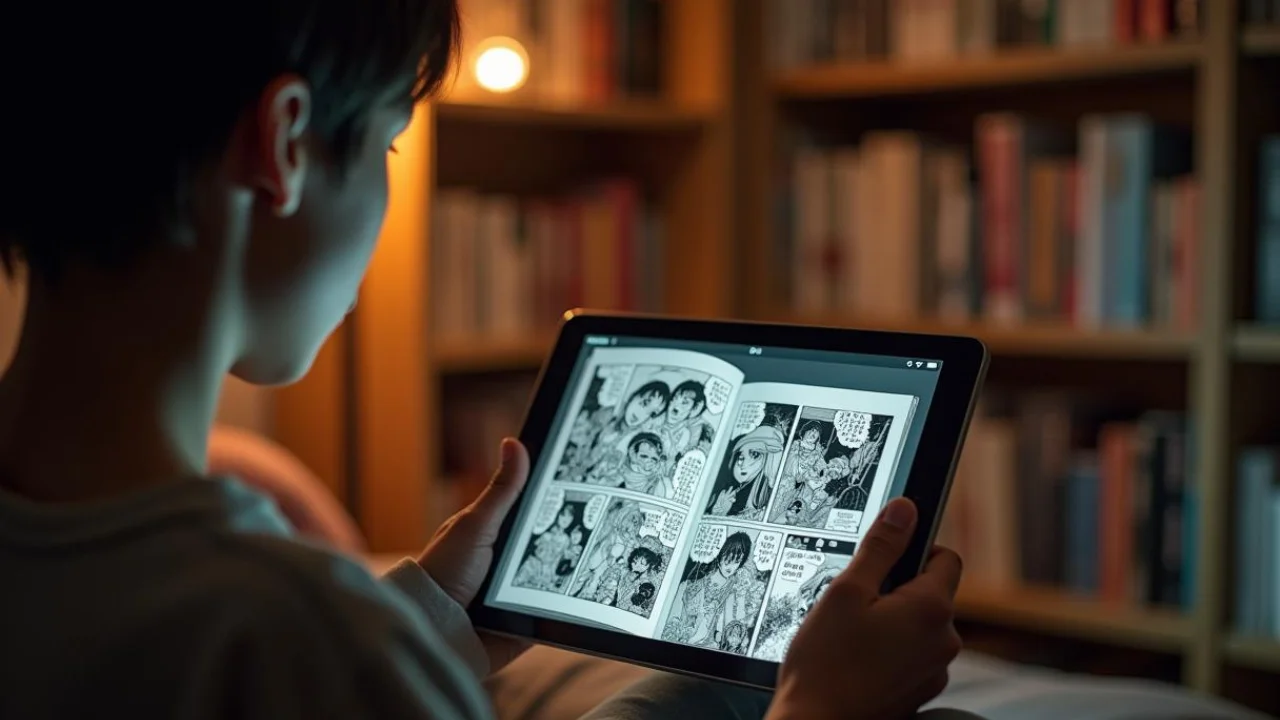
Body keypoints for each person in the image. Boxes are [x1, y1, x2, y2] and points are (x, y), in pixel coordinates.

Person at [0, 2, 969, 719]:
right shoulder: (286, 631)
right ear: (284, 144)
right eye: (385, 144)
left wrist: (431, 619)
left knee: (690, 695)